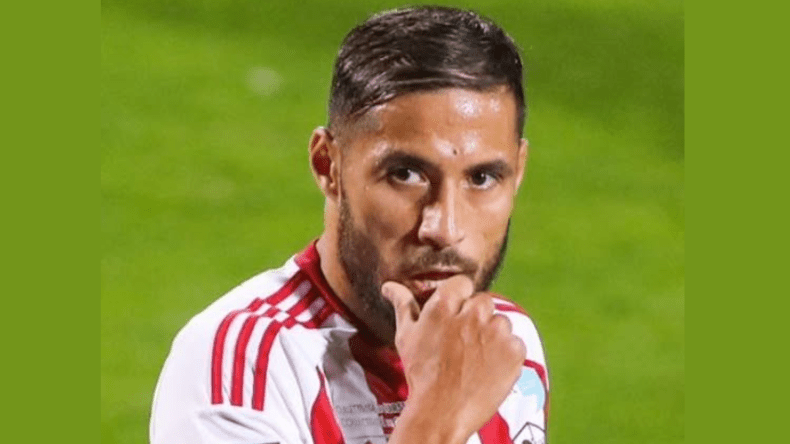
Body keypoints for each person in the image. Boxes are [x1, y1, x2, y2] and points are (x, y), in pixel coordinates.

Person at [150, 6, 548, 444]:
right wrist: (437, 418)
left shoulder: (506, 345)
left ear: (519, 172)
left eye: (482, 178)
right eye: (405, 174)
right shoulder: (241, 370)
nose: (445, 227)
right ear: (329, 165)